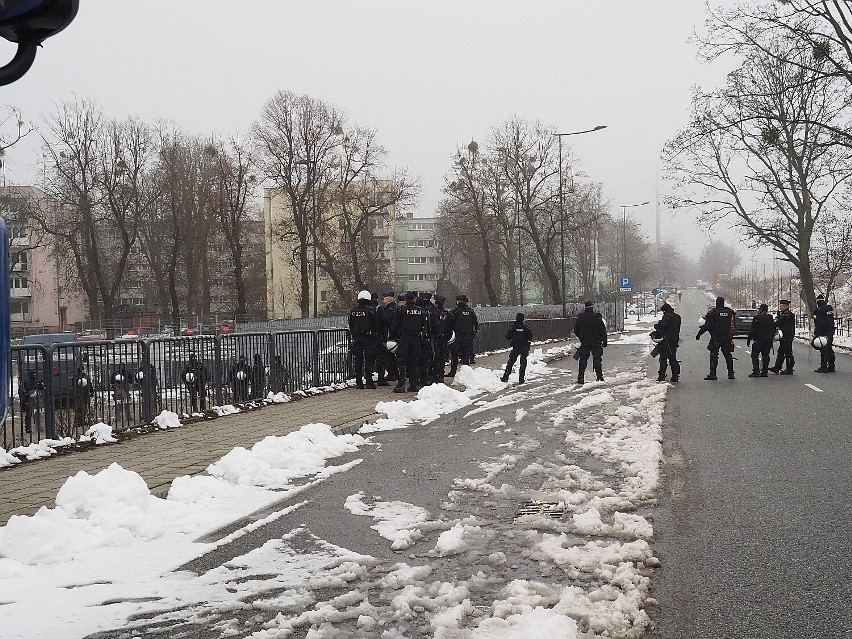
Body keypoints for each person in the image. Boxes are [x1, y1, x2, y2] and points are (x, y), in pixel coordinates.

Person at [390, 291, 428, 392]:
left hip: (404, 339)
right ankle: (414, 384)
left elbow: (394, 325)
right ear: (414, 299)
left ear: (406, 300)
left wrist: (392, 337)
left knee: (401, 361)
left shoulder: (401, 310)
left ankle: (401, 384)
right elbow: (424, 326)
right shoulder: (420, 311)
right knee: (414, 361)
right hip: (416, 339)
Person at [696, 296, 736, 380]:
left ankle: (713, 374)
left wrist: (699, 334)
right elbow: (733, 324)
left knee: (714, 355)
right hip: (726, 337)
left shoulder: (713, 313)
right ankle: (731, 373)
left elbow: (707, 325)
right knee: (728, 355)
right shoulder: (729, 312)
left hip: (716, 337)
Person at [348, 289, 381, 389]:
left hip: (357, 338)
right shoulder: (371, 310)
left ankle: (359, 382)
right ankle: (369, 382)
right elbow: (376, 325)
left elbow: (351, 325)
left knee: (358, 360)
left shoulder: (353, 311)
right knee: (368, 360)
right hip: (369, 338)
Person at [573, 301, 608, 384]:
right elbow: (602, 330)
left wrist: (581, 338)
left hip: (585, 342)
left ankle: (580, 378)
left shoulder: (581, 317)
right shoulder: (597, 317)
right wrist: (604, 341)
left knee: (583, 359)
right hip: (596, 342)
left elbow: (576, 330)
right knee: (597, 359)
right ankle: (599, 377)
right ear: (592, 307)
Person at [448, 294, 479, 376]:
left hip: (457, 336)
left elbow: (449, 322)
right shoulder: (470, 311)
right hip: (468, 335)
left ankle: (453, 371)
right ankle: (466, 372)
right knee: (466, 354)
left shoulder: (454, 311)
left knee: (454, 354)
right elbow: (475, 322)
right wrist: (476, 330)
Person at [501, 313, 533, 384]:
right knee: (523, 363)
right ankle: (521, 379)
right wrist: (527, 344)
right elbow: (530, 336)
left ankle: (505, 377)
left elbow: (508, 337)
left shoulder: (513, 328)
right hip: (524, 347)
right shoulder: (526, 328)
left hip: (516, 347)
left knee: (511, 362)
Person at [653, 302, 681, 382]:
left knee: (663, 358)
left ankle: (662, 375)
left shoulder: (667, 317)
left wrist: (657, 325)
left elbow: (662, 326)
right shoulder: (677, 317)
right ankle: (675, 375)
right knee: (673, 358)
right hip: (674, 340)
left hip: (665, 341)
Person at [375, 291, 397, 386]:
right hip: (389, 335)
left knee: (390, 356)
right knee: (389, 356)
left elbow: (388, 321)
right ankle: (392, 373)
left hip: (390, 335)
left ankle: (393, 373)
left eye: (384, 299)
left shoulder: (391, 309)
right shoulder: (389, 308)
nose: (383, 301)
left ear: (388, 299)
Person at [747, 303, 775, 377]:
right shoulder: (770, 317)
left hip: (758, 340)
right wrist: (771, 338)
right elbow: (773, 329)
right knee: (765, 355)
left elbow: (753, 329)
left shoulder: (757, 318)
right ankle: (764, 371)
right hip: (768, 340)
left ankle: (756, 371)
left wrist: (749, 338)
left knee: (754, 355)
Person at [415, 293, 438, 387]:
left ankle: (421, 379)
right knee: (428, 360)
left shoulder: (419, 309)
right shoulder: (432, 310)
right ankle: (429, 378)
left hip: (420, 338)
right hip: (428, 338)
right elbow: (437, 325)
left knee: (420, 360)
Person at [432, 294, 455, 383]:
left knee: (435, 358)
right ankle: (441, 375)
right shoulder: (448, 314)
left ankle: (435, 376)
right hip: (444, 339)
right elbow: (452, 327)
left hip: (436, 339)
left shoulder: (433, 314)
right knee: (442, 357)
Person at [769, 299, 795, 375]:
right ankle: (777, 367)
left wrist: (776, 320)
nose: (780, 307)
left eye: (782, 306)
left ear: (786, 306)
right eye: (780, 306)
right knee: (781, 352)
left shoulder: (787, 314)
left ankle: (789, 369)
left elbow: (779, 323)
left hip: (787, 336)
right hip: (784, 336)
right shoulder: (784, 314)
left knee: (788, 352)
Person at [812, 294, 836, 373]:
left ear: (817, 301)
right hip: (831, 330)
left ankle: (824, 366)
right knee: (829, 348)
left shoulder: (820, 310)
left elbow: (819, 322)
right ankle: (831, 366)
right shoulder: (829, 308)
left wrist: (816, 333)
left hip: (823, 331)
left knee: (823, 348)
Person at [18, 369, 43, 434]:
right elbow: (25, 390)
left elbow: (42, 387)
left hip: (37, 399)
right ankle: (28, 428)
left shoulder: (38, 381)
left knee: (38, 413)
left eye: (35, 374)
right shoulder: (27, 382)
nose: (34, 376)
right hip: (29, 399)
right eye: (33, 374)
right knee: (29, 414)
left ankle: (38, 427)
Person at [111, 363, 133, 428]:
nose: (121, 367)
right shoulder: (115, 373)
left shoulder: (127, 373)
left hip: (125, 390)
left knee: (126, 404)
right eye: (120, 366)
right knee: (118, 404)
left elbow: (131, 380)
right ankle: (118, 417)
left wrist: (126, 380)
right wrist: (116, 380)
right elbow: (111, 381)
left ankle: (128, 416)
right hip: (118, 390)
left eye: (122, 366)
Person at [72, 364, 93, 430]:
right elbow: (74, 385)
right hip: (80, 394)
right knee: (79, 408)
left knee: (83, 408)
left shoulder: (84, 377)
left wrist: (91, 391)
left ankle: (81, 420)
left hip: (84, 394)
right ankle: (78, 421)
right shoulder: (77, 377)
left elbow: (90, 385)